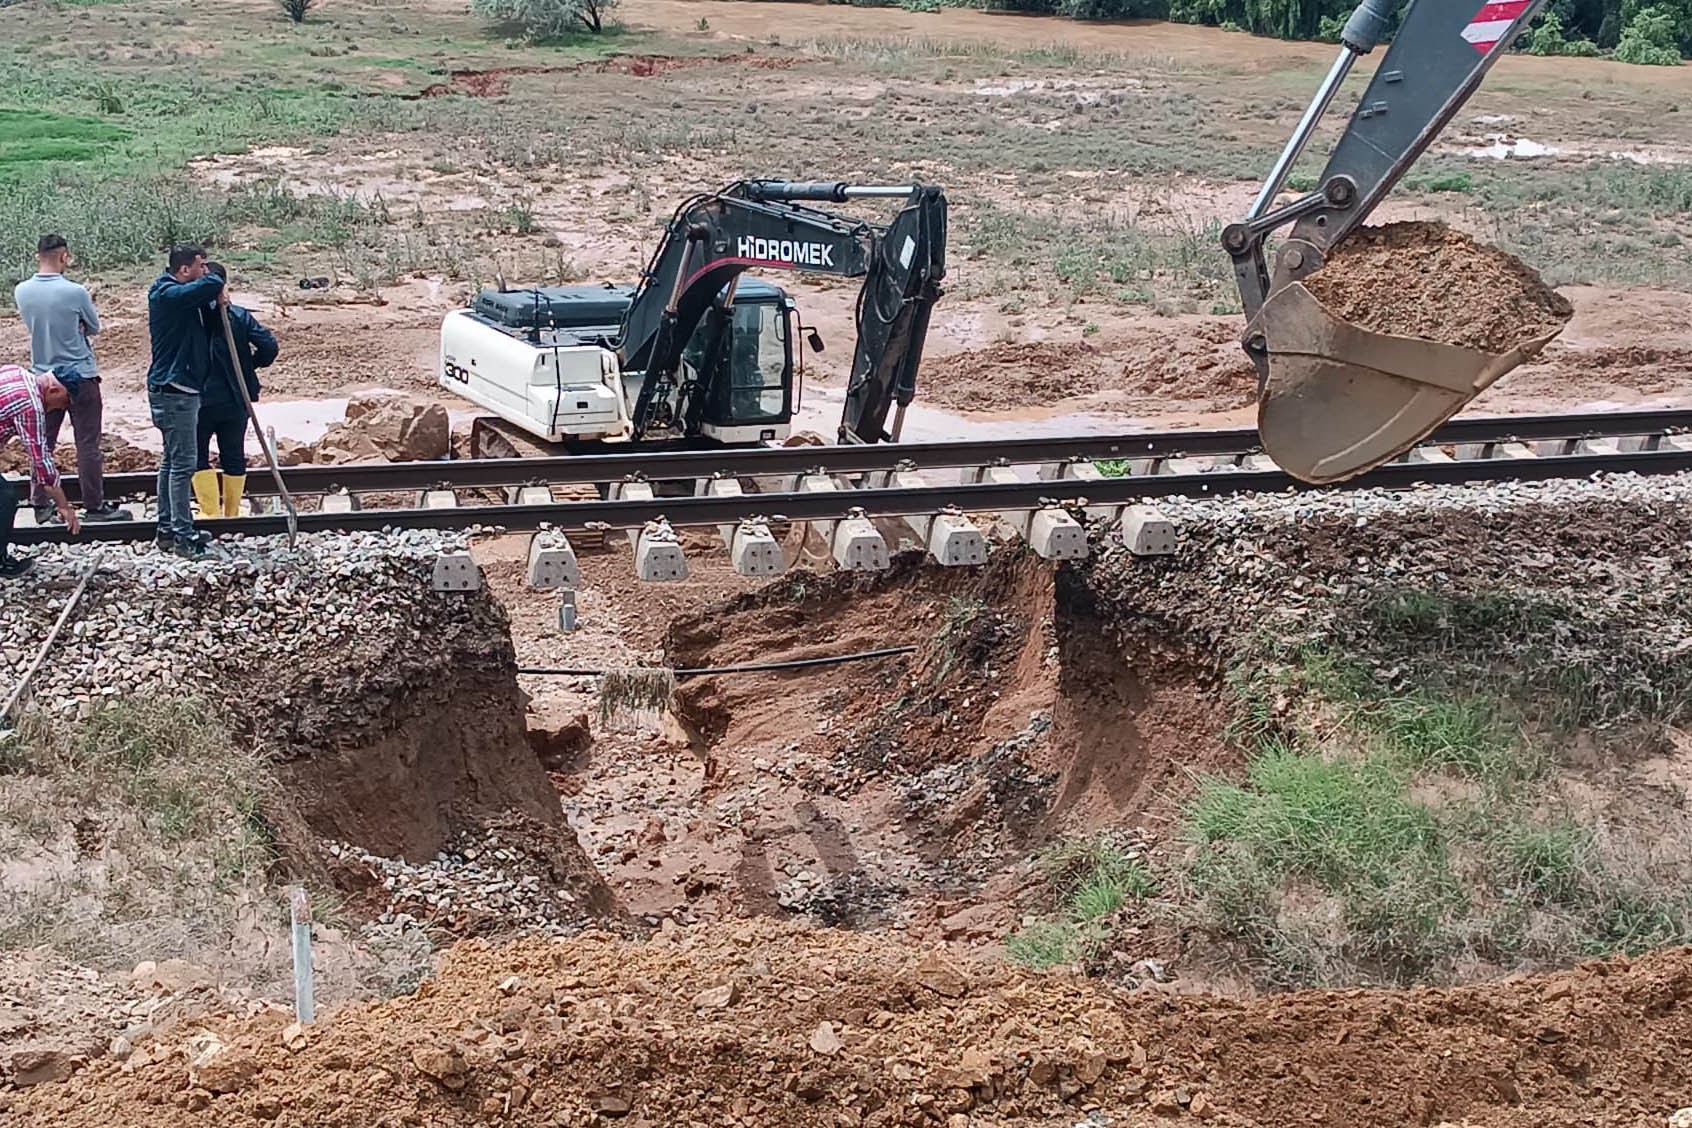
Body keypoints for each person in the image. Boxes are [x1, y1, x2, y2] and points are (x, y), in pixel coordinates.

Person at [14, 234, 131, 525]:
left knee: (43, 443)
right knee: (88, 444)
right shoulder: (75, 292)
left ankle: (41, 504)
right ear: (64, 256)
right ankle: (94, 505)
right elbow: (93, 327)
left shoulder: (22, 291)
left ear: (37, 255)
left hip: (43, 376)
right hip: (81, 376)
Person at [147, 245, 225, 558]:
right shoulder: (165, 294)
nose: (204, 270)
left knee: (171, 461)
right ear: (184, 270)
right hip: (175, 390)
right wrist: (217, 278)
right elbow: (212, 281)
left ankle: (167, 528)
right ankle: (182, 535)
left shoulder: (182, 296)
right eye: (200, 265)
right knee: (182, 465)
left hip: (178, 388)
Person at [194, 262, 277, 519]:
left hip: (201, 400)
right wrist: (248, 366)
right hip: (235, 398)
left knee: (198, 455)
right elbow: (269, 347)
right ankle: (231, 512)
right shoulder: (239, 316)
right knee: (234, 453)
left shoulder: (193, 318)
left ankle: (210, 512)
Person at [0, 364, 81, 578]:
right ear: (53, 390)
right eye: (64, 402)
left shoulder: (16, 372)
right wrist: (63, 505)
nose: (60, 408)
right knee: (4, 498)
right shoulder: (31, 406)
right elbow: (40, 460)